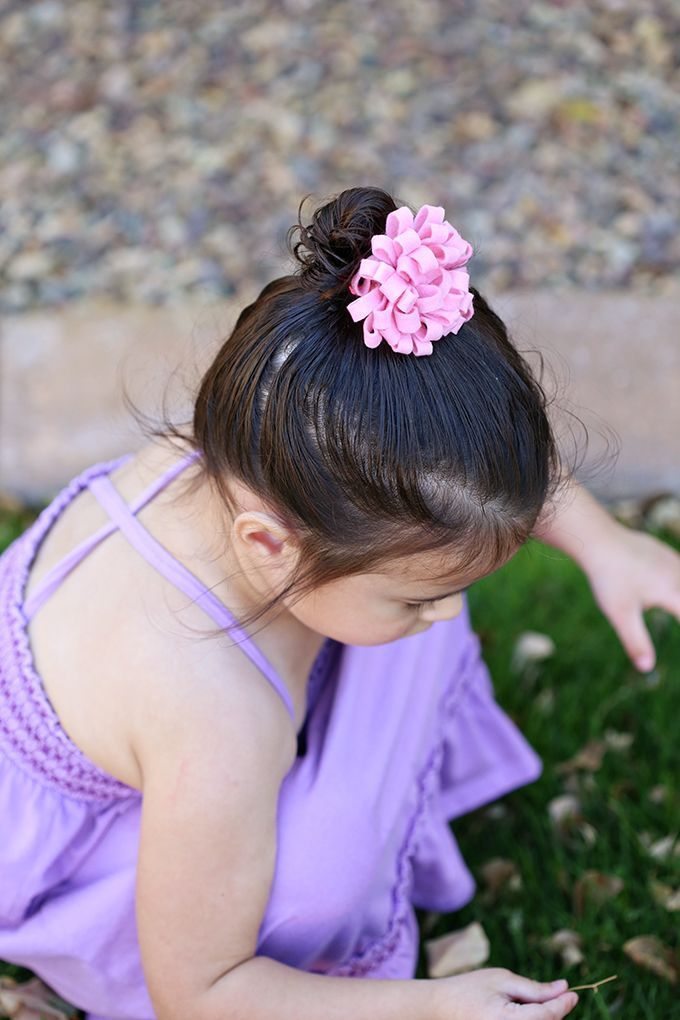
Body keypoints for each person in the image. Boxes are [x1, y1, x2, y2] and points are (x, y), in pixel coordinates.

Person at [0, 187, 678, 1020]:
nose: (447, 612)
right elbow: (199, 990)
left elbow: (446, 467)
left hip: (193, 721)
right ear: (271, 546)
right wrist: (428, 1008)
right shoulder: (215, 722)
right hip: (115, 845)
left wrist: (605, 544)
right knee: (326, 880)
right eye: (421, 597)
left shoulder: (274, 425)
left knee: (413, 605)